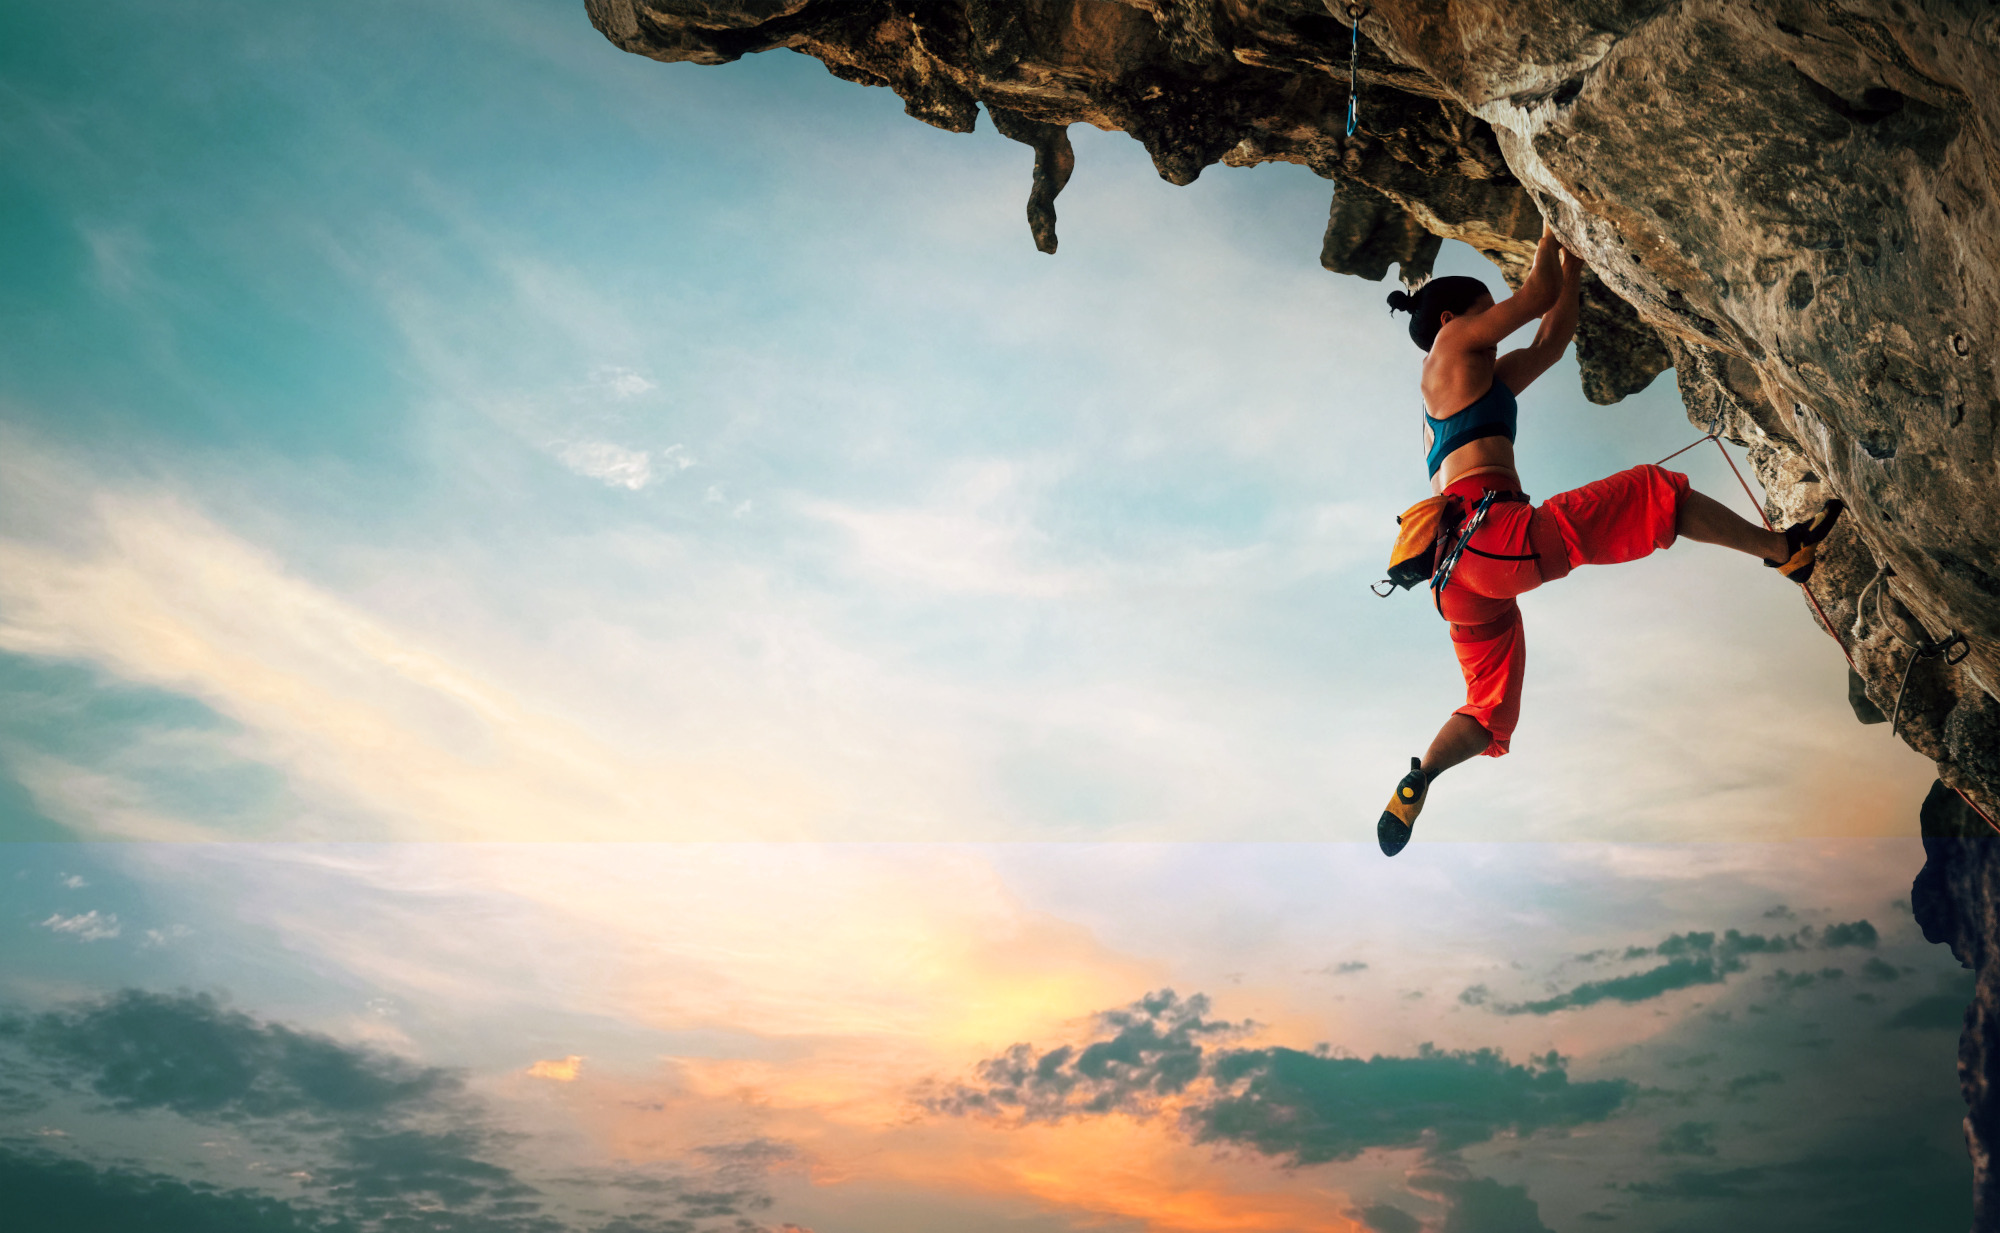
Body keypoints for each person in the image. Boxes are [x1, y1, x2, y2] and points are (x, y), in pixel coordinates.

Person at [1375, 224, 1843, 857]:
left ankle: (1421, 776)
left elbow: (1552, 337)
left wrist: (1571, 264)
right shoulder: (1451, 344)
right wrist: (1547, 222)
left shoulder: (1470, 388)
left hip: (1457, 581)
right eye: (1488, 310)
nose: (1494, 321)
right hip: (1493, 542)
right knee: (1656, 493)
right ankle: (1784, 552)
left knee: (1487, 712)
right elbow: (1536, 296)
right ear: (1455, 317)